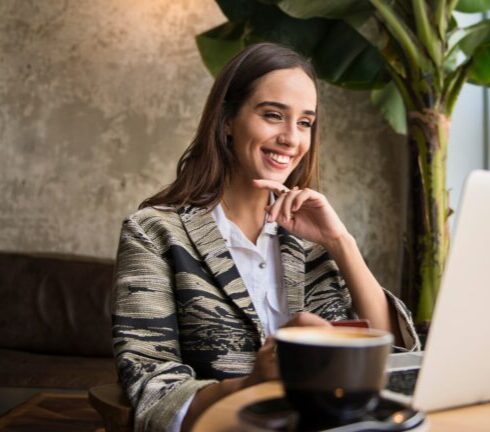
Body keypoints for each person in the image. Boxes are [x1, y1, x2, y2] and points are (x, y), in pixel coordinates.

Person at [112, 42, 420, 432]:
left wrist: (341, 241)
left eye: (305, 122)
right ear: (227, 120)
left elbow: (389, 358)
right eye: (273, 115)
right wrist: (255, 380)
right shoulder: (154, 232)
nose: (292, 138)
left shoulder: (311, 241)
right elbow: (152, 390)